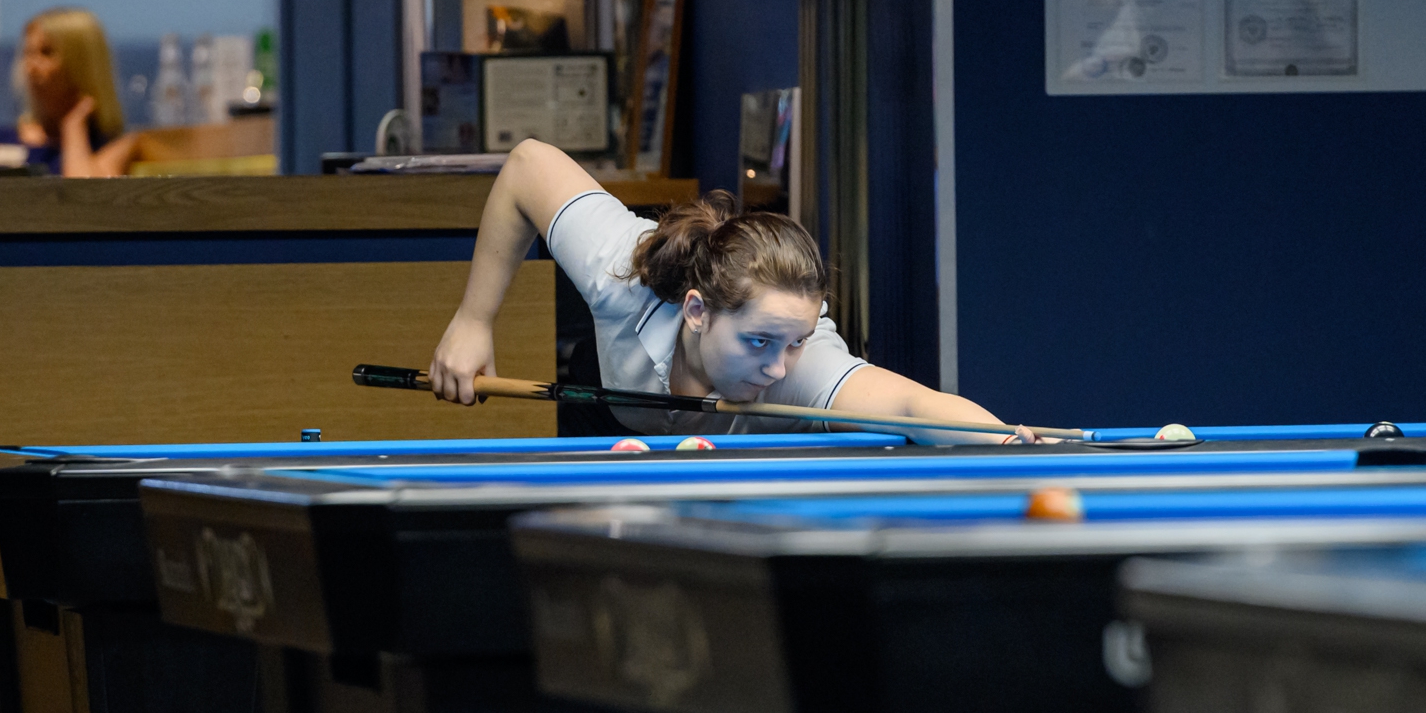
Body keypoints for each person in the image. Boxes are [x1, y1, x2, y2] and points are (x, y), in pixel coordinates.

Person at [430, 139, 1044, 442]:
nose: (777, 367)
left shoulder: (799, 367)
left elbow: (912, 405)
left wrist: (1013, 445)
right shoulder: (626, 270)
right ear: (697, 311)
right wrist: (473, 320)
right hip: (609, 410)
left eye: (796, 341)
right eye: (759, 341)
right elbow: (528, 164)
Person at [0, 7, 137, 178]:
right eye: (28, 53)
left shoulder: (112, 146)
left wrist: (74, 126)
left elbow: (86, 195)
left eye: (46, 53)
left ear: (81, 64)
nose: (31, 66)